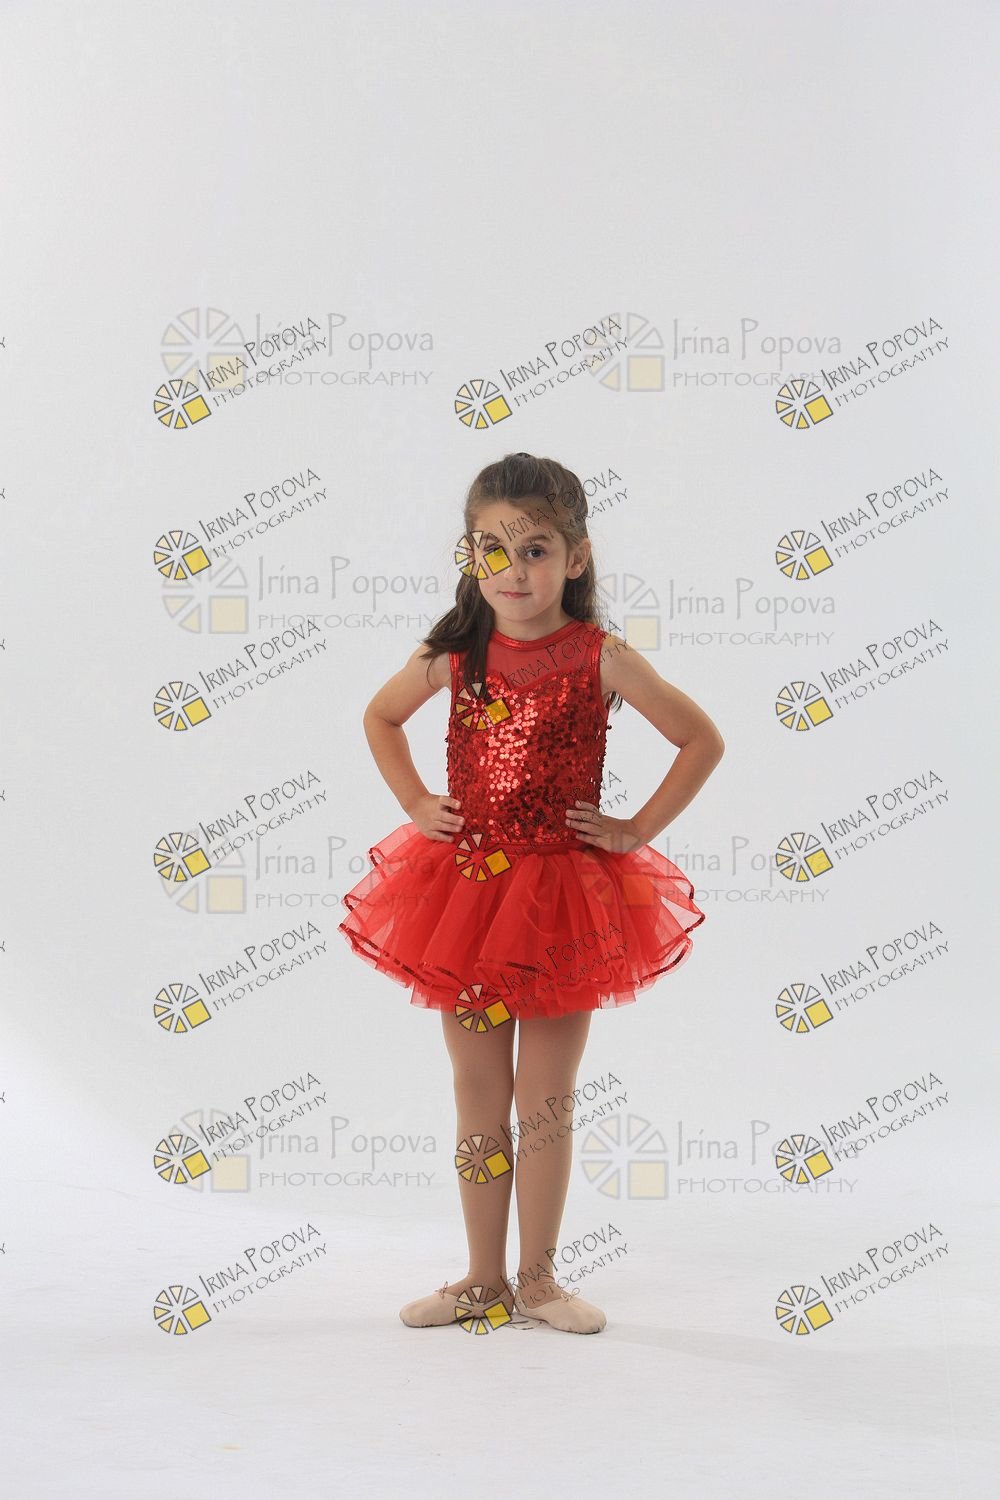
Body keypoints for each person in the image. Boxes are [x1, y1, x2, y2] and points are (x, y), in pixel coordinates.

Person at [337, 452, 725, 1334]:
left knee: (545, 1099)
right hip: (465, 900)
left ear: (576, 558)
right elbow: (380, 716)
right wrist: (415, 802)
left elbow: (700, 739)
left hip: (563, 904)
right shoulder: (454, 655)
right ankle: (483, 1279)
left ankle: (540, 1280)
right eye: (493, 551)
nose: (513, 572)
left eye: (536, 551)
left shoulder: (599, 657)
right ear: (470, 557)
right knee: (479, 1089)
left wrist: (634, 830)